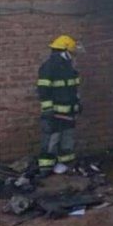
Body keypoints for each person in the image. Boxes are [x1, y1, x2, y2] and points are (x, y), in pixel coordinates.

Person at [36, 35, 82, 175]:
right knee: (51, 140)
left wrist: (77, 104)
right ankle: (46, 170)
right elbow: (43, 90)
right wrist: (48, 109)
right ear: (64, 51)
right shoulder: (49, 67)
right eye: (72, 52)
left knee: (67, 141)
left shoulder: (69, 68)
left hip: (68, 113)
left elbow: (73, 89)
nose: (73, 56)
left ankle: (66, 166)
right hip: (53, 114)